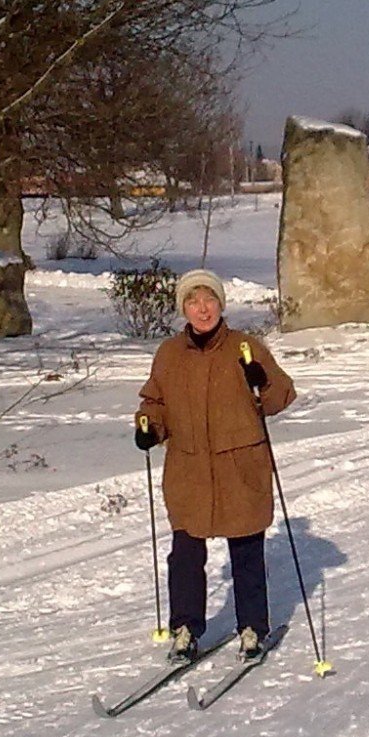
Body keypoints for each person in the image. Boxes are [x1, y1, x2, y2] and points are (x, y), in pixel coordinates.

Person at [135, 268, 295, 663]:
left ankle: (252, 628)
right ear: (183, 308)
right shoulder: (169, 354)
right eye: (193, 301)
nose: (202, 309)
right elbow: (154, 403)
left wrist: (263, 381)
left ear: (220, 305)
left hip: (240, 465)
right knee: (185, 553)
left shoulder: (245, 347)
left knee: (246, 550)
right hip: (189, 470)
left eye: (208, 300)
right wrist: (148, 429)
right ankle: (186, 629)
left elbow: (280, 396)